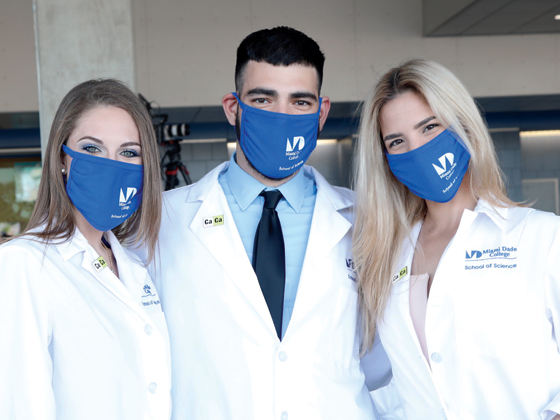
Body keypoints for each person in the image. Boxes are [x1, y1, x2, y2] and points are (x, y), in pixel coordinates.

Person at [145, 26, 391, 419]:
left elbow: (390, 361)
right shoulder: (163, 219)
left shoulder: (368, 219)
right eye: (263, 99)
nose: (282, 116)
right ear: (232, 107)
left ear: (321, 112)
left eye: (300, 102)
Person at [353, 58, 560, 419]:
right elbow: (394, 382)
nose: (417, 149)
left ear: (463, 125)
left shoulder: (542, 238)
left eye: (430, 127)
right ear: (385, 159)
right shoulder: (384, 257)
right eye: (397, 141)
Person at [0, 79, 171, 420]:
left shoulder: (134, 264)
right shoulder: (23, 263)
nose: (112, 164)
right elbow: (20, 405)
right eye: (92, 149)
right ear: (63, 158)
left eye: (129, 152)